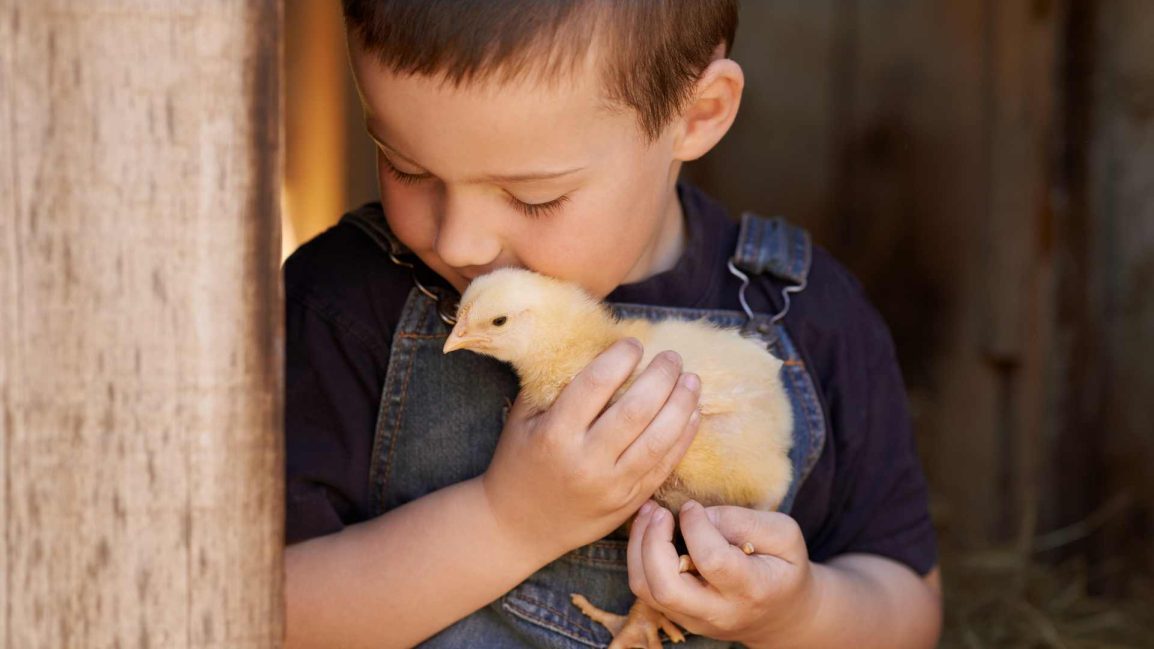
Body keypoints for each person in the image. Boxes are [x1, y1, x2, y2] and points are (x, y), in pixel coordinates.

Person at [283, 2, 942, 648]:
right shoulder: (342, 305)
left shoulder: (809, 317)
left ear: (698, 113)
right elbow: (261, 611)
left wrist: (796, 614)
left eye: (532, 195)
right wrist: (505, 523)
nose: (460, 242)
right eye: (406, 165)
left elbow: (908, 606)